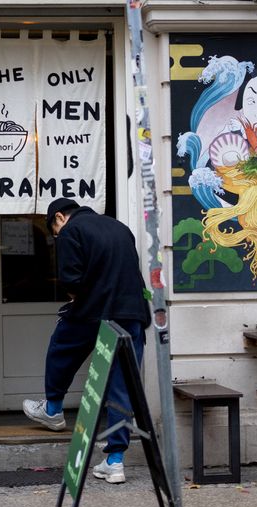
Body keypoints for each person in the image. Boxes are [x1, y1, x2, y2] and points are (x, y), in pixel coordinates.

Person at [22, 198, 151, 485]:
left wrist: (75, 302)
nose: (57, 236)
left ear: (59, 217)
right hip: (132, 313)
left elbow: (71, 280)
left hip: (94, 311)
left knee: (61, 348)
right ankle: (115, 461)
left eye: (54, 231)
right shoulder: (120, 227)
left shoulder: (70, 231)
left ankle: (53, 409)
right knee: (122, 385)